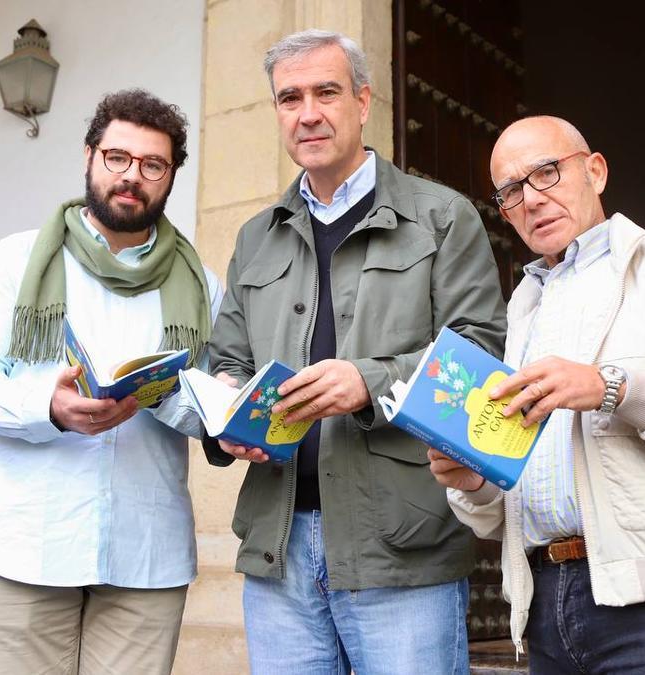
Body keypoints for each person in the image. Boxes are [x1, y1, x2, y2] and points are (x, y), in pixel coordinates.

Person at [203, 29, 507, 674]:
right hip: (277, 546)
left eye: (326, 92)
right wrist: (228, 416)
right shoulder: (257, 236)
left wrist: (370, 382)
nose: (307, 112)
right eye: (289, 98)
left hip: (401, 546)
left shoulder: (442, 216)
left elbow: (479, 358)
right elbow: (224, 356)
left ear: (364, 102)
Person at [431, 115, 645, 674]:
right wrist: (473, 478)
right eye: (511, 190)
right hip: (543, 601)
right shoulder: (521, 310)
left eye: (546, 173)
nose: (532, 199)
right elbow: (504, 503)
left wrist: (612, 387)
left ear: (595, 171)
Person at [0, 89, 222, 675]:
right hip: (28, 544)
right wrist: (48, 406)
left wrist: (168, 397)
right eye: (118, 158)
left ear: (170, 177)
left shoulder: (205, 288)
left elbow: (216, 408)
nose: (132, 177)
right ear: (89, 156)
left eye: (152, 165)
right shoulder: (17, 260)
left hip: (147, 554)